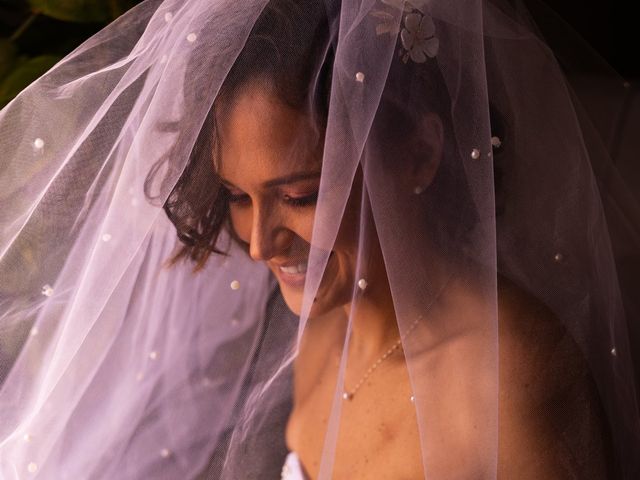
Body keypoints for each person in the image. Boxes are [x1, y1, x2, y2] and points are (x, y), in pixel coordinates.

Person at [0, 0, 638, 479]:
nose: (258, 246)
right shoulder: (327, 316)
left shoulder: (510, 393)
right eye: (237, 197)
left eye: (301, 195)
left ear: (418, 153)